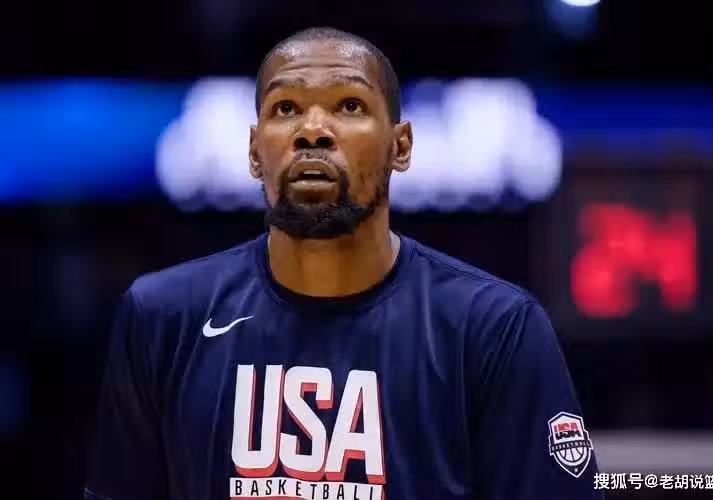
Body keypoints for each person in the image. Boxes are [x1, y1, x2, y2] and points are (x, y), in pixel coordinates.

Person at [84, 27, 603, 500]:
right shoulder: (163, 317)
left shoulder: (494, 327)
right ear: (254, 151)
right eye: (286, 108)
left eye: (350, 105)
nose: (313, 130)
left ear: (400, 146)